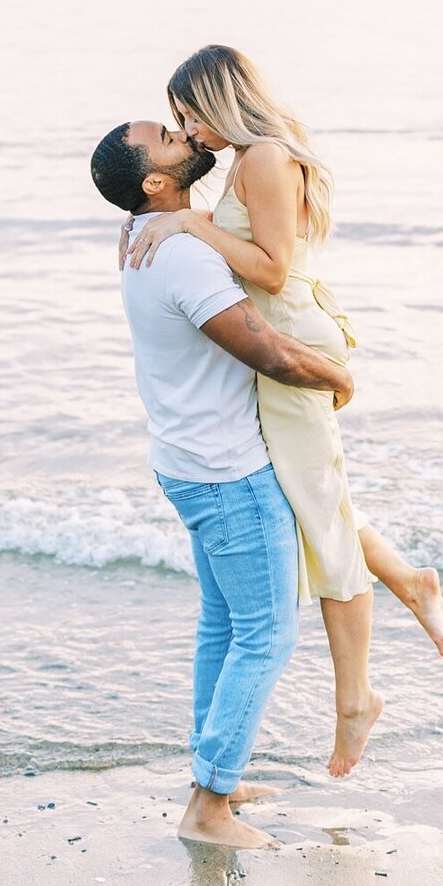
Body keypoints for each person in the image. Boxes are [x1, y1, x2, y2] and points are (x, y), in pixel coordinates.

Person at [122, 44, 443, 780]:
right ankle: (408, 582)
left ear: (221, 100)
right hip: (281, 339)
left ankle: (357, 697)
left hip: (290, 341)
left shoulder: (265, 158)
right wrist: (178, 222)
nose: (190, 133)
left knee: (319, 510)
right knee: (316, 496)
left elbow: (271, 267)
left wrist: (190, 226)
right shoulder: (247, 159)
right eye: (177, 124)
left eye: (189, 116)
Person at [90, 116, 353, 849]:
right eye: (169, 139)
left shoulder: (149, 235)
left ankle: (219, 777)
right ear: (154, 181)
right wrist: (339, 378)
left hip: (185, 462)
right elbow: (265, 348)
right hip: (227, 472)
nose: (185, 137)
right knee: (267, 634)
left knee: (223, 625)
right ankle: (209, 808)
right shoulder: (182, 259)